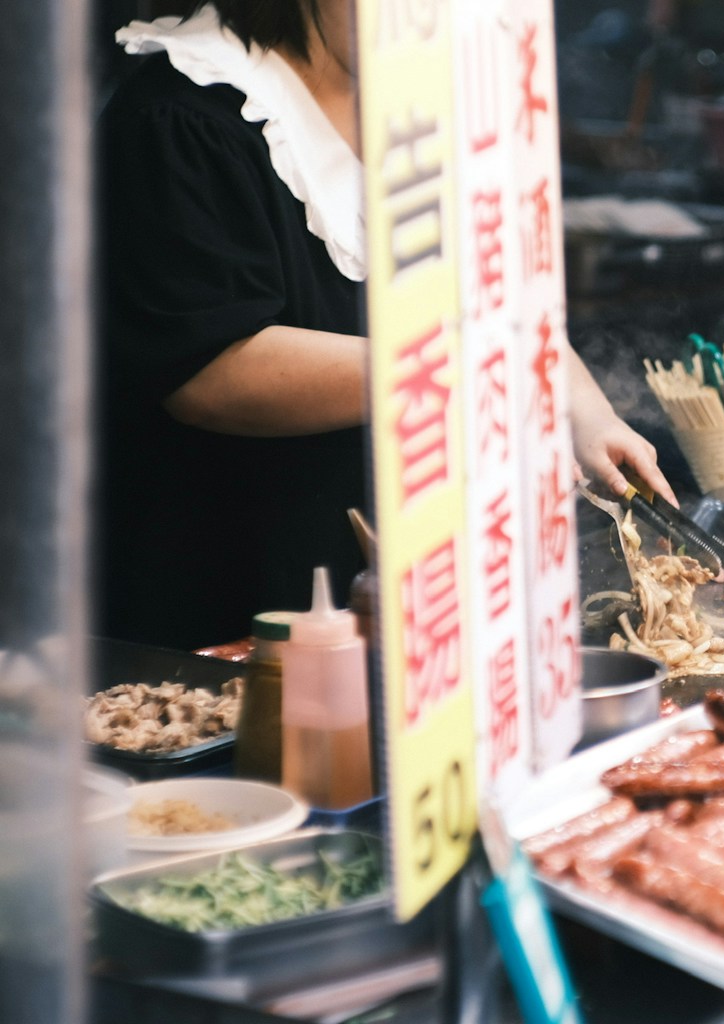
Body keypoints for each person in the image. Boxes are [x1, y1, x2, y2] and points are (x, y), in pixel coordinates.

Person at [95, 0, 672, 651]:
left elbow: (502, 295)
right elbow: (211, 371)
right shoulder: (178, 119)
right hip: (234, 601)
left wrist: (584, 411)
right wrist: (463, 361)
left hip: (397, 600)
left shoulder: (412, 105)